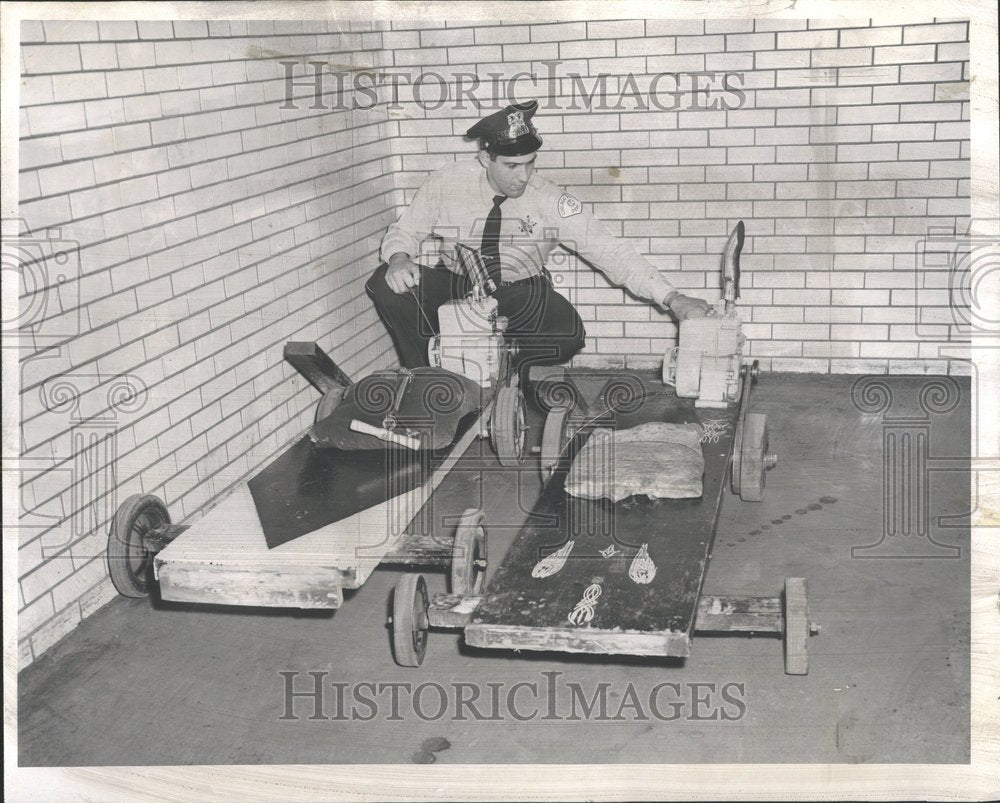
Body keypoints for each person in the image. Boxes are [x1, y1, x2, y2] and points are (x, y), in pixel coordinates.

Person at [366, 100, 711, 378]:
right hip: (455, 283)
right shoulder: (448, 181)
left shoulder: (549, 199)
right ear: (486, 158)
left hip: (519, 291)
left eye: (530, 163)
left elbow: (610, 251)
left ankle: (505, 372)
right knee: (385, 283)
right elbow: (406, 230)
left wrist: (672, 298)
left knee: (567, 333)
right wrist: (399, 257)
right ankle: (429, 378)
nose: (524, 176)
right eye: (512, 166)